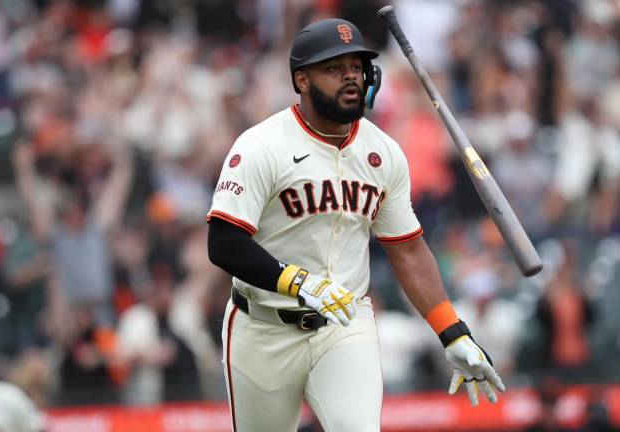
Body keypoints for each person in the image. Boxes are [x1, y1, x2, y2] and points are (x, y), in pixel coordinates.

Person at [206, 18, 504, 432]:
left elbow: (408, 249)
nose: (350, 76)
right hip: (262, 326)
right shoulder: (261, 146)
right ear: (302, 80)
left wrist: (452, 331)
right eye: (333, 68)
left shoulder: (383, 152)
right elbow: (223, 243)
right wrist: (298, 282)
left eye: (357, 66)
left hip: (344, 324)